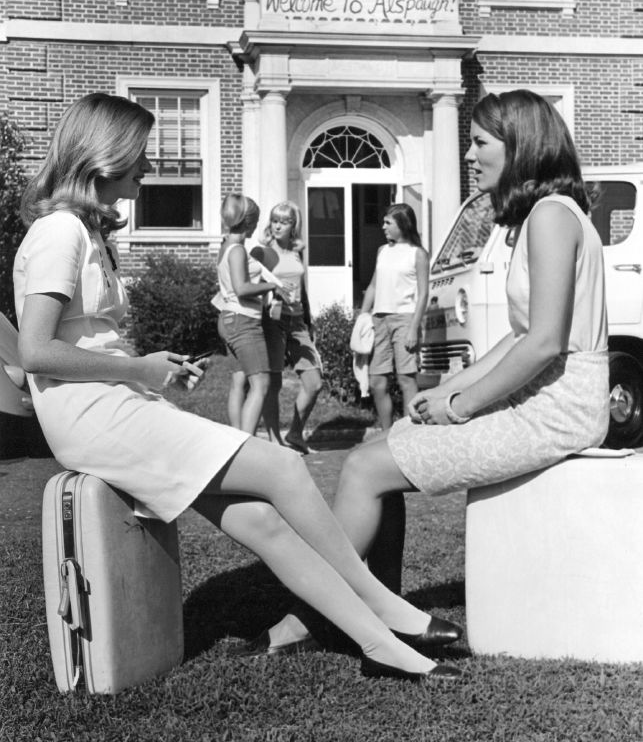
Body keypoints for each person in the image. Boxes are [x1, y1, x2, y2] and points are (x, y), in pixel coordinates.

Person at [13, 92, 461, 682]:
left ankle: (384, 649)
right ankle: (382, 605)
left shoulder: (86, 231)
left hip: (115, 402)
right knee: (285, 468)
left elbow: (86, 341)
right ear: (104, 155)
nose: (151, 166)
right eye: (142, 155)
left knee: (264, 523)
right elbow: (35, 353)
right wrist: (140, 369)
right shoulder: (58, 230)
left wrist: (147, 369)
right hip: (95, 413)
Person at [263, 88, 609, 648]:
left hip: (559, 410)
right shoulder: (548, 215)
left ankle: (311, 619)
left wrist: (461, 406)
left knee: (362, 468)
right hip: (551, 398)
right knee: (390, 441)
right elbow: (520, 338)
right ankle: (382, 611)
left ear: (519, 146)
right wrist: (448, 388)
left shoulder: (549, 217)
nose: (469, 156)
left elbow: (544, 343)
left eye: (479, 143)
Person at [215, 193, 291, 435]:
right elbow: (242, 288)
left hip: (228, 318)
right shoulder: (237, 250)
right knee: (261, 383)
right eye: (256, 220)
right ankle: (246, 444)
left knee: (239, 380)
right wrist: (273, 286)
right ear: (248, 222)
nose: (258, 225)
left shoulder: (225, 246)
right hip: (243, 321)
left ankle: (235, 440)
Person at [252, 201, 323, 454]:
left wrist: (309, 318)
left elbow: (302, 286)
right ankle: (274, 440)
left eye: (285, 221)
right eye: (275, 220)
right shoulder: (263, 252)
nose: (278, 225)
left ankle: (295, 432)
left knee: (313, 381)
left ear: (294, 225)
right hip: (272, 319)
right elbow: (252, 286)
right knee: (274, 382)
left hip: (298, 320)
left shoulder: (297, 250)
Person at [357, 204, 430, 431]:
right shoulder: (382, 251)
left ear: (402, 224)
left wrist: (413, 328)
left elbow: (423, 293)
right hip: (379, 320)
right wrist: (362, 316)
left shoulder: (417, 254)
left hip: (404, 319)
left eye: (388, 223)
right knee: (377, 382)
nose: (383, 227)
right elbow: (373, 285)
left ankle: (411, 432)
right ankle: (387, 433)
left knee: (406, 379)